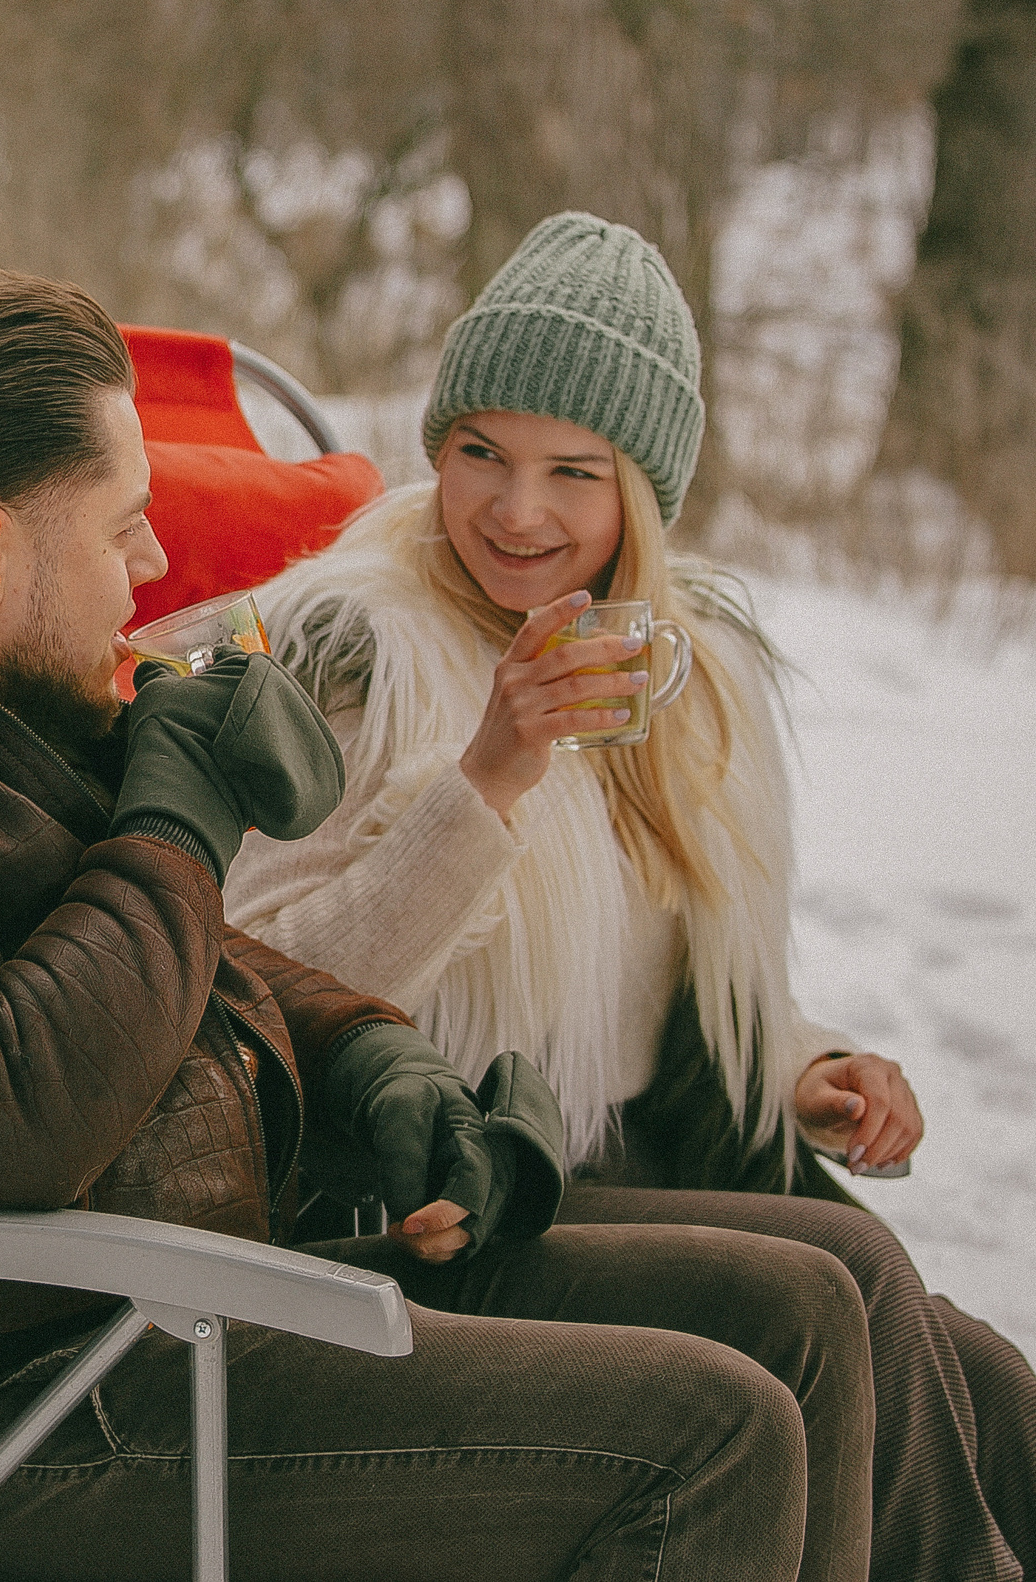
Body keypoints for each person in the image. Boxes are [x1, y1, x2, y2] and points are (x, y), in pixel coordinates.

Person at [0, 260, 874, 1580]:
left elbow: (190, 953)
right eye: (123, 524)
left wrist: (375, 1063)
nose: (151, 565)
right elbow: (13, 1094)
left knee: (801, 1307)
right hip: (24, 1408)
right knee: (711, 1436)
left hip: (179, 1296)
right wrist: (172, 820)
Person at [230, 209, 1034, 1581]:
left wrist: (802, 1064)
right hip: (435, 1186)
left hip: (615, 1158)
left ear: (641, 497)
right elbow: (253, 981)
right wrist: (485, 776)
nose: (516, 509)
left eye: (572, 471)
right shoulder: (358, 651)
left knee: (987, 1386)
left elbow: (642, 994)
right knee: (855, 1286)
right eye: (479, 450)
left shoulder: (672, 676)